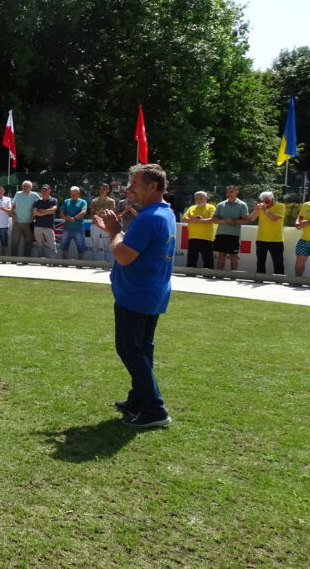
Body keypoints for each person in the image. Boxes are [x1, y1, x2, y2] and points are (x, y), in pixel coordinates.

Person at [92, 163, 175, 428]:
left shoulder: (149, 217)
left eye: (135, 183)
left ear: (153, 186)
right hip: (152, 293)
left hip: (136, 295)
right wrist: (116, 231)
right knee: (142, 350)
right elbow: (139, 245)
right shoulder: (164, 213)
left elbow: (124, 256)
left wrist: (114, 232)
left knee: (130, 350)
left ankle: (155, 409)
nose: (129, 189)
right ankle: (139, 400)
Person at [212, 185, 249, 271]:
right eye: (227, 192)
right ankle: (219, 275)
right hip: (221, 233)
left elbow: (245, 220)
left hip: (234, 235)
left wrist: (233, 221)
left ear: (237, 192)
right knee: (221, 254)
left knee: (233, 255)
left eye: (231, 192)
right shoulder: (220, 204)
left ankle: (233, 275)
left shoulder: (242, 205)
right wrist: (222, 221)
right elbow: (214, 218)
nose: (229, 194)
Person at [249, 190, 285, 275]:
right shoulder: (261, 206)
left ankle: (279, 280)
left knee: (278, 262)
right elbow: (251, 219)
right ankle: (260, 279)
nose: (264, 203)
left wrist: (266, 210)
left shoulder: (281, 206)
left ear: (272, 199)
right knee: (260, 262)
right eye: (263, 201)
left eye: (267, 201)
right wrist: (255, 210)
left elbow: (275, 219)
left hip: (276, 240)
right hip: (261, 239)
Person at [182, 191, 216, 269]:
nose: (198, 200)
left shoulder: (211, 207)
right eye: (196, 198)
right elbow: (184, 219)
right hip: (193, 237)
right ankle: (190, 273)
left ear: (206, 198)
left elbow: (213, 220)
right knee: (191, 259)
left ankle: (208, 274)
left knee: (208, 260)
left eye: (200, 198)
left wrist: (199, 220)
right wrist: (193, 219)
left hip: (207, 237)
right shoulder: (191, 208)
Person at [10, 181, 40, 257]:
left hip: (29, 223)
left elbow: (40, 205)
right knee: (15, 242)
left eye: (27, 186)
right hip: (17, 223)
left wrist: (35, 214)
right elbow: (12, 207)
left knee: (29, 242)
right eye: (24, 186)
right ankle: (13, 259)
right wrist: (13, 216)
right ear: (22, 187)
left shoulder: (35, 195)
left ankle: (26, 260)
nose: (25, 187)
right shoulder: (18, 194)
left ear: (31, 187)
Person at [89, 183, 116, 260]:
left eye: (104, 189)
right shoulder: (94, 200)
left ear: (108, 190)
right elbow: (92, 213)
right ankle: (94, 264)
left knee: (107, 246)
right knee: (94, 246)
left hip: (106, 225)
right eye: (100, 189)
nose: (101, 191)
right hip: (95, 225)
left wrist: (99, 212)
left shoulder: (111, 201)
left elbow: (112, 213)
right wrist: (101, 212)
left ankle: (108, 264)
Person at [59, 186, 87, 260]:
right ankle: (65, 263)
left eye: (74, 194)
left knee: (81, 247)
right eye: (71, 194)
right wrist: (65, 217)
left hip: (78, 228)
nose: (72, 196)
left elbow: (84, 211)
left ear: (78, 193)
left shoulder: (83, 202)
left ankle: (80, 264)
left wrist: (74, 218)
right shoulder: (66, 201)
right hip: (67, 228)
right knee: (64, 246)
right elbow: (61, 212)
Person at [32, 184, 58, 259]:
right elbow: (34, 213)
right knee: (39, 244)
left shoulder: (54, 200)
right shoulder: (37, 201)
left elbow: (52, 211)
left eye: (46, 190)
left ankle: (52, 260)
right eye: (43, 190)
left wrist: (41, 210)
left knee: (52, 245)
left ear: (49, 191)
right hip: (38, 226)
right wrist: (47, 212)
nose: (44, 192)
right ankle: (41, 259)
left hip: (49, 226)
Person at [295, 196, 310, 277]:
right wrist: (297, 222)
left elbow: (307, 222)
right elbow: (300, 216)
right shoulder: (306, 204)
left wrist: (307, 222)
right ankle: (298, 280)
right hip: (304, 239)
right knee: (300, 260)